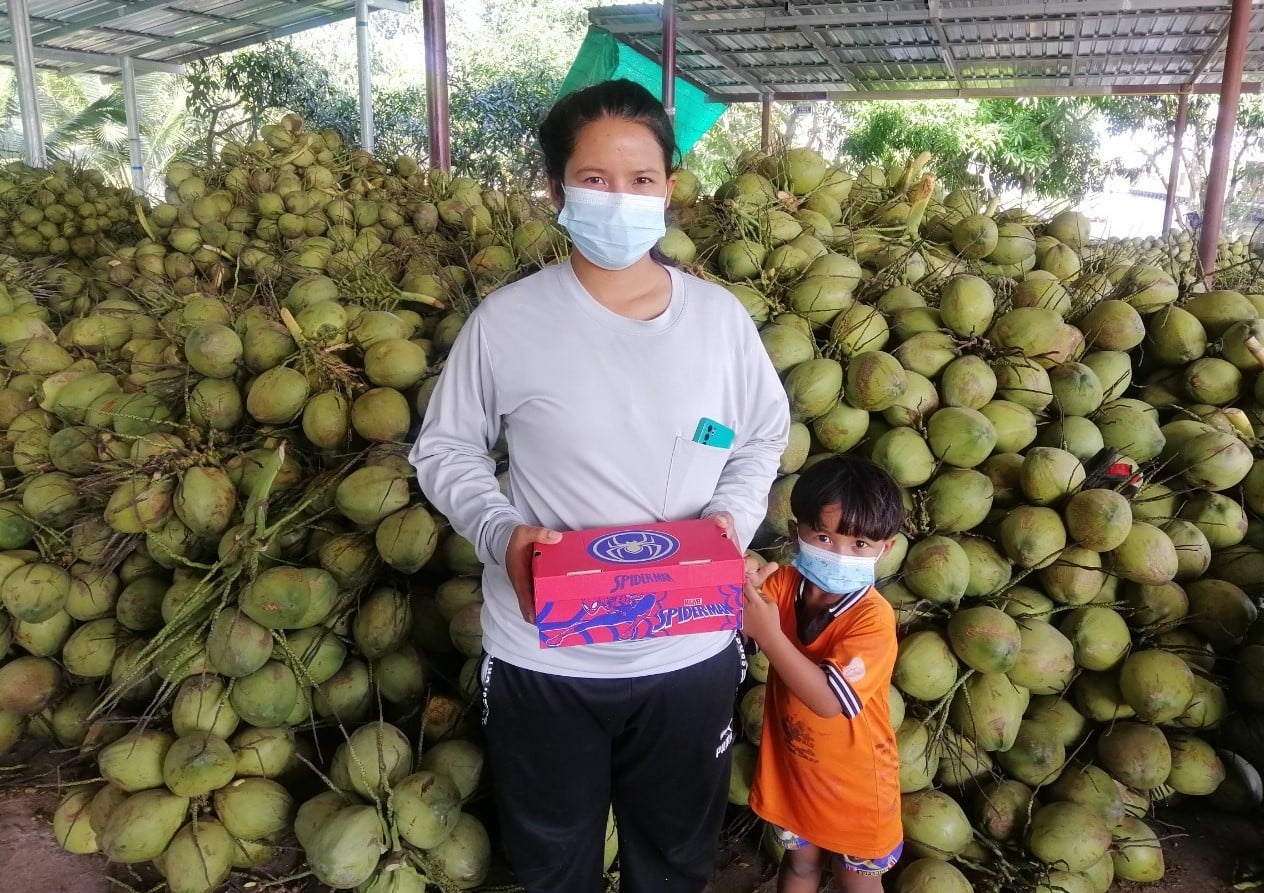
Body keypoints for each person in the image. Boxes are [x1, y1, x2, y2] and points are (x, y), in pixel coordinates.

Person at [408, 78, 790, 893]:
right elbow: (445, 448)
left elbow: (761, 434)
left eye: (642, 180)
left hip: (687, 647)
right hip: (544, 654)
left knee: (676, 860)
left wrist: (730, 515)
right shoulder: (507, 321)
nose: (620, 198)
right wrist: (498, 531)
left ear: (670, 190)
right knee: (553, 862)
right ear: (556, 192)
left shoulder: (720, 322)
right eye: (595, 180)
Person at [742, 455, 904, 893]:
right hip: (793, 775)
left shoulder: (872, 619)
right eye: (823, 536)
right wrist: (742, 583)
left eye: (859, 545)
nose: (838, 554)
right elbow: (746, 618)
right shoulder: (786, 585)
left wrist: (769, 635)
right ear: (797, 532)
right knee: (797, 869)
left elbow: (830, 700)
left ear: (885, 548)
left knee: (856, 884)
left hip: (856, 791)